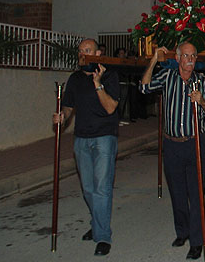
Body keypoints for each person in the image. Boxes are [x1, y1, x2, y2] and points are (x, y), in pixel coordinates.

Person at [140, 42, 205, 260]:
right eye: (186, 56)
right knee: (177, 192)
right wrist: (154, 60)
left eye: (193, 56)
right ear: (177, 58)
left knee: (196, 193)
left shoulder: (202, 81)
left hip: (195, 143)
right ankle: (182, 232)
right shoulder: (167, 77)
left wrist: (202, 101)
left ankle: (197, 241)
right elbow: (144, 88)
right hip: (172, 144)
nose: (190, 60)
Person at [52, 39, 119, 257]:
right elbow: (69, 106)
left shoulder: (109, 76)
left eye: (87, 51)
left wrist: (98, 83)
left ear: (98, 54)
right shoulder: (75, 78)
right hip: (81, 138)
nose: (83, 54)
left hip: (104, 138)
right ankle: (98, 223)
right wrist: (62, 117)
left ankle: (103, 236)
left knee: (102, 188)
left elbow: (110, 107)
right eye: (80, 51)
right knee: (88, 189)